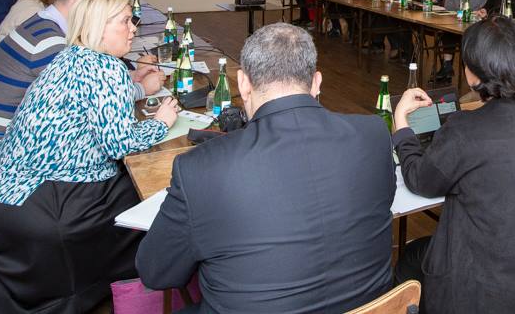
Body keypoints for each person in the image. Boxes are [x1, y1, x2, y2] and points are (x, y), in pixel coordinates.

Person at [137, 23, 396, 313]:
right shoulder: (374, 135)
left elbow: (156, 272)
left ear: (243, 84)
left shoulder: (198, 168)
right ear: (316, 82)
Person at [0, 0, 178, 312]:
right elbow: (119, 143)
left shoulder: (71, 57)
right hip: (40, 206)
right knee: (155, 198)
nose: (133, 29)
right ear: (99, 26)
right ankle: (150, 285)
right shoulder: (104, 68)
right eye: (125, 21)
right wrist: (161, 122)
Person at [393, 16, 515, 313]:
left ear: (473, 75)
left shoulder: (464, 129)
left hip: (489, 293)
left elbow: (420, 179)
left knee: (410, 258)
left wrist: (402, 125)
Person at [0, 0, 164, 168]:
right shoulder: (50, 43)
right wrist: (142, 89)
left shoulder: (43, 24)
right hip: (1, 155)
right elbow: (99, 108)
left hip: (13, 145)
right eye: (97, 2)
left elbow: (85, 89)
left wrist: (130, 77)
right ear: (80, 5)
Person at [434, 0, 489, 83]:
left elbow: (464, 8)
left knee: (460, 37)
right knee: (447, 33)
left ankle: (469, 76)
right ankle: (447, 67)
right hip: (457, 22)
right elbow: (448, 5)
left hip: (473, 27)